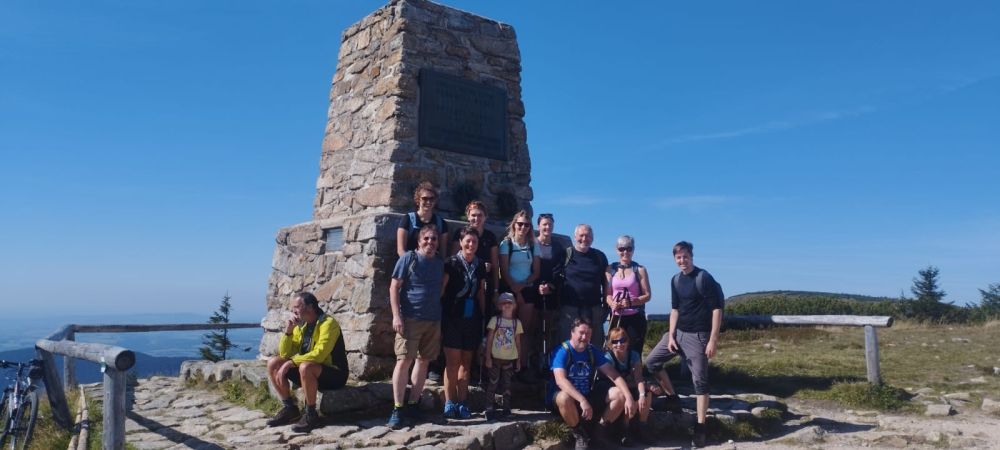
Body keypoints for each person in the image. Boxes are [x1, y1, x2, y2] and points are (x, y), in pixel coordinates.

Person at [644, 241, 724, 448]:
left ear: (691, 256)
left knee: (700, 382)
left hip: (698, 336)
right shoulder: (675, 280)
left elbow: (716, 309)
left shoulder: (703, 277)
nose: (682, 260)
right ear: (674, 259)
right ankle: (672, 397)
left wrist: (713, 340)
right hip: (678, 333)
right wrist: (671, 336)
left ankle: (700, 428)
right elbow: (675, 310)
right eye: (678, 257)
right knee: (652, 362)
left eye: (685, 256)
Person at [387, 225, 445, 429]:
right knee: (403, 361)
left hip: (433, 319)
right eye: (426, 239)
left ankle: (413, 404)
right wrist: (396, 316)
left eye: (434, 239)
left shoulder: (439, 263)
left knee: (423, 361)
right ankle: (397, 408)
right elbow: (394, 286)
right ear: (419, 241)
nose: (430, 242)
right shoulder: (408, 259)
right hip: (410, 318)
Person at [266, 292, 349, 432]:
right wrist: (288, 332)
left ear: (310, 307)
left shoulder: (328, 323)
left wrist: (291, 363)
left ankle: (311, 415)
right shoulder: (301, 326)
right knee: (274, 363)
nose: (293, 311)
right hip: (311, 372)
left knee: (305, 367)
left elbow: (319, 355)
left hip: (335, 374)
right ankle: (290, 409)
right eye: (293, 308)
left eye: (297, 307)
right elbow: (285, 354)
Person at [550, 317, 636, 450]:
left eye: (588, 334)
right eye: (581, 333)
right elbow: (561, 381)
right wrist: (582, 400)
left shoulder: (591, 350)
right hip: (569, 400)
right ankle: (579, 434)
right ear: (572, 332)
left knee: (619, 394)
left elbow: (613, 374)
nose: (585, 337)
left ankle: (599, 432)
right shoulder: (562, 351)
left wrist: (629, 396)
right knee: (563, 397)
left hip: (587, 394)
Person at [440, 226, 487, 420]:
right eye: (467, 241)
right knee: (452, 362)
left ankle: (462, 402)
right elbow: (441, 290)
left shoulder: (480, 265)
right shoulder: (450, 263)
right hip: (452, 317)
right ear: (460, 242)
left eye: (474, 241)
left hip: (472, 318)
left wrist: (483, 317)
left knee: (466, 363)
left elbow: (481, 292)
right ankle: (450, 401)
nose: (471, 245)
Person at [498, 210, 541, 379]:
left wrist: (522, 287)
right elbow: (503, 270)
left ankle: (521, 365)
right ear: (514, 225)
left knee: (523, 330)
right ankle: (504, 364)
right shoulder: (506, 244)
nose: (523, 227)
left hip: (527, 289)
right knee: (506, 328)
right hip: (509, 288)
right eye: (520, 224)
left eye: (527, 225)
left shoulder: (533, 245)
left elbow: (536, 271)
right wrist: (514, 288)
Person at [598, 327, 653, 445]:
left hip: (628, 385)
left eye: (622, 340)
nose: (619, 344)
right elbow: (615, 380)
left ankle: (642, 426)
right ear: (610, 344)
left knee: (646, 394)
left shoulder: (634, 355)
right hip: (612, 389)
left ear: (627, 341)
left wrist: (642, 394)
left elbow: (638, 377)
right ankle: (623, 430)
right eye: (615, 341)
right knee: (626, 396)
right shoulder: (608, 358)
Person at [558, 224, 610, 346]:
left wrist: (606, 306)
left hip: (594, 307)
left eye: (588, 236)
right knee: (568, 343)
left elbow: (606, 283)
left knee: (596, 344)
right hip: (570, 307)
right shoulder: (566, 255)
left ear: (592, 238)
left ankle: (594, 360)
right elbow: (556, 277)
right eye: (581, 235)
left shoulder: (600, 256)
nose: (584, 239)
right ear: (575, 237)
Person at [605, 235, 651, 355]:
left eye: (629, 248)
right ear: (617, 250)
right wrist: (612, 303)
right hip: (616, 316)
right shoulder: (610, 269)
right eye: (621, 249)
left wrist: (631, 302)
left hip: (635, 317)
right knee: (615, 351)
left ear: (633, 250)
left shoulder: (640, 270)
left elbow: (647, 295)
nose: (625, 252)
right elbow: (608, 295)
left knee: (634, 352)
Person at [451, 201, 499, 307]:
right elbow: (453, 260)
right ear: (468, 216)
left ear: (485, 217)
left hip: (483, 283)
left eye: (480, 215)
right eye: (473, 215)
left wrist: (496, 290)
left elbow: (495, 266)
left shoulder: (490, 237)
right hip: (462, 282)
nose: (476, 218)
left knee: (481, 312)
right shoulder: (460, 233)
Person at [483, 292, 523, 420]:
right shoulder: (495, 320)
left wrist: (519, 360)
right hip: (495, 358)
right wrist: (488, 357)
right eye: (504, 303)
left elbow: (518, 342)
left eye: (509, 302)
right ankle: (489, 408)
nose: (507, 305)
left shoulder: (516, 323)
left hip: (509, 359)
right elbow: (489, 340)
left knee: (507, 384)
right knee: (493, 383)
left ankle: (506, 408)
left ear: (514, 305)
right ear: (499, 306)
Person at [535, 213, 566, 361]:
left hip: (552, 293)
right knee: (534, 329)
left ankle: (550, 360)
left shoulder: (558, 247)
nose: (547, 227)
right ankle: (534, 360)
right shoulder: (531, 244)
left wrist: (551, 286)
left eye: (550, 224)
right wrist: (537, 285)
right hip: (533, 291)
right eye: (544, 224)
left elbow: (560, 269)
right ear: (538, 226)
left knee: (550, 329)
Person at [397, 181, 449, 257]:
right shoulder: (407, 220)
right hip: (410, 261)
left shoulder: (441, 224)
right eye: (424, 198)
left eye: (432, 199)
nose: (428, 202)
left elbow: (442, 254)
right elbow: (401, 250)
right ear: (418, 200)